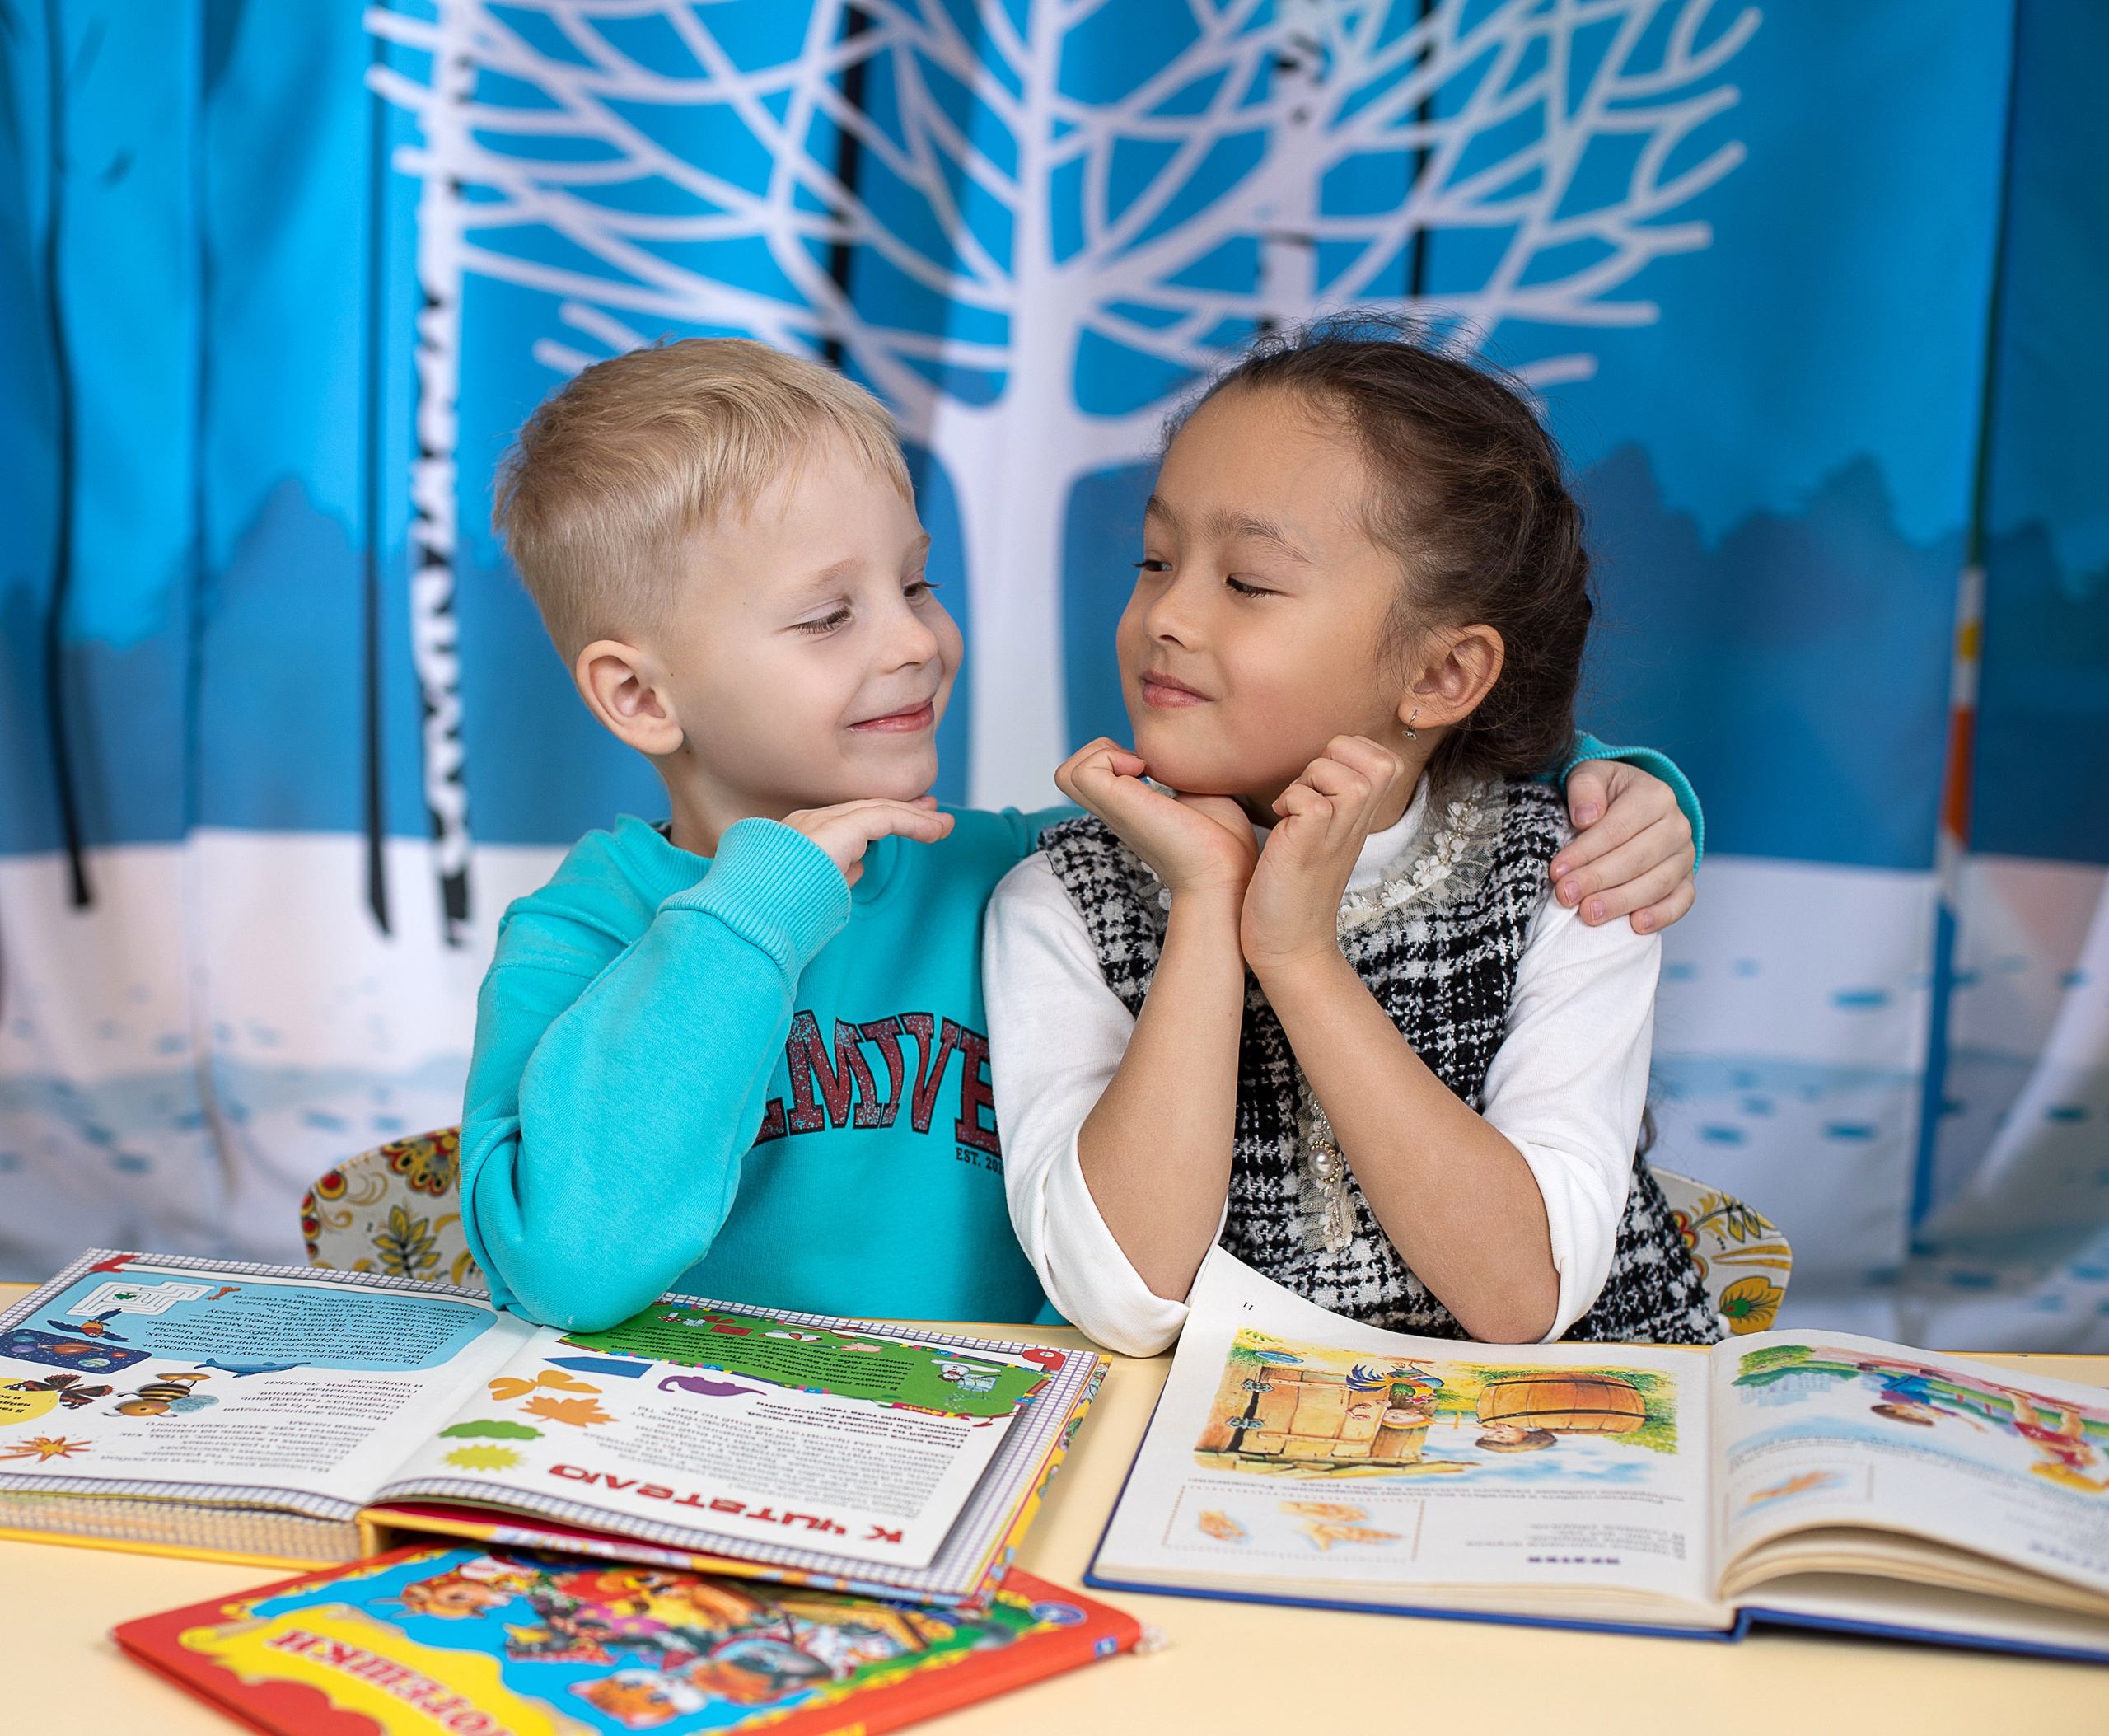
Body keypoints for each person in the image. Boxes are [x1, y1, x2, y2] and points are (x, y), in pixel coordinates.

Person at [462, 336, 1703, 1331]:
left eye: (917, 583)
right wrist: (759, 906)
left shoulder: (1002, 869)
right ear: (640, 697)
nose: (913, 640)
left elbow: (1394, 789)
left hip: (992, 1463)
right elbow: (572, 1265)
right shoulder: (581, 935)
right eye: (829, 615)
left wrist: (1615, 792)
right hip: (684, 1459)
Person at [986, 316, 1716, 1356]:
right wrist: (1205, 905)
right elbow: (1124, 1299)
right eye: (1155, 560)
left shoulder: (1569, 879)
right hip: (1224, 1439)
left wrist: (1298, 956)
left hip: (1565, 1425)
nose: (1166, 615)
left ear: (1441, 674)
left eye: (1247, 582)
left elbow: (1521, 1298)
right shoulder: (1062, 901)